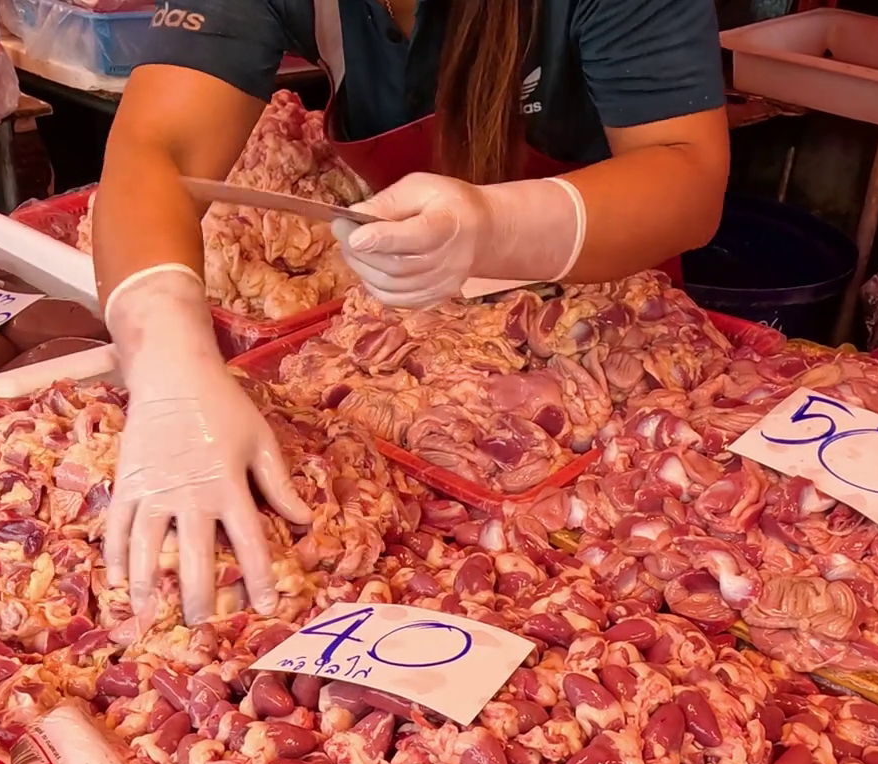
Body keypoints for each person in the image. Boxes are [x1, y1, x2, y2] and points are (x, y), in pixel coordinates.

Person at [95, 0, 731, 626]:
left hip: (613, 351)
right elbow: (157, 149)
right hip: (403, 339)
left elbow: (688, 172)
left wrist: (502, 225)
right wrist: (169, 364)